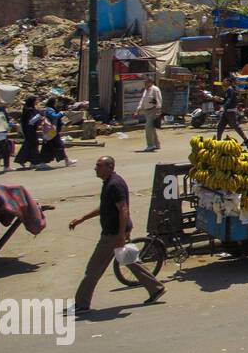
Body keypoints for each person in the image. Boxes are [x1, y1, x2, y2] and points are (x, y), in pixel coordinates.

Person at [69, 156, 165, 314]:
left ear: (110, 167)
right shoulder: (109, 183)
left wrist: (121, 234)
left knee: (93, 269)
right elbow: (105, 208)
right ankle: (156, 289)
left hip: (112, 234)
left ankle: (81, 304)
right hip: (116, 232)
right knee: (131, 262)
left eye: (99, 166)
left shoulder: (115, 185)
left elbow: (123, 210)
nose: (95, 168)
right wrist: (82, 219)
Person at [39, 97, 76, 166]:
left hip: (53, 131)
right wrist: (61, 114)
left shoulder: (53, 109)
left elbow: (57, 120)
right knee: (59, 145)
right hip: (51, 131)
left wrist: (65, 123)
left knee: (49, 146)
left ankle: (42, 162)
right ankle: (66, 161)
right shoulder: (49, 110)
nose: (58, 103)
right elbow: (54, 117)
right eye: (56, 102)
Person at [215, 76, 247, 141]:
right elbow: (226, 100)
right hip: (226, 111)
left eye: (224, 81)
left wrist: (223, 106)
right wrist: (219, 99)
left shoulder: (230, 90)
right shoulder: (228, 90)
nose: (222, 83)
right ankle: (218, 141)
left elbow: (229, 100)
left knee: (236, 127)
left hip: (230, 112)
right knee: (220, 126)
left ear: (228, 82)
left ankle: (246, 140)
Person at [136, 76, 163, 152]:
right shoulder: (146, 90)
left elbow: (158, 100)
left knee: (148, 128)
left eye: (146, 82)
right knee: (152, 128)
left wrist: (157, 109)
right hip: (147, 111)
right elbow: (143, 99)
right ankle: (157, 144)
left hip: (153, 110)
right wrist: (139, 108)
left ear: (151, 82)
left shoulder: (155, 89)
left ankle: (150, 145)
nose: (145, 83)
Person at [14, 95, 41, 168]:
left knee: (31, 145)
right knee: (31, 144)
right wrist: (39, 115)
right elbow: (30, 121)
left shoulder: (31, 108)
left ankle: (31, 162)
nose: (37, 102)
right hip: (29, 130)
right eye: (36, 100)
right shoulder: (28, 109)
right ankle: (32, 161)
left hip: (31, 130)